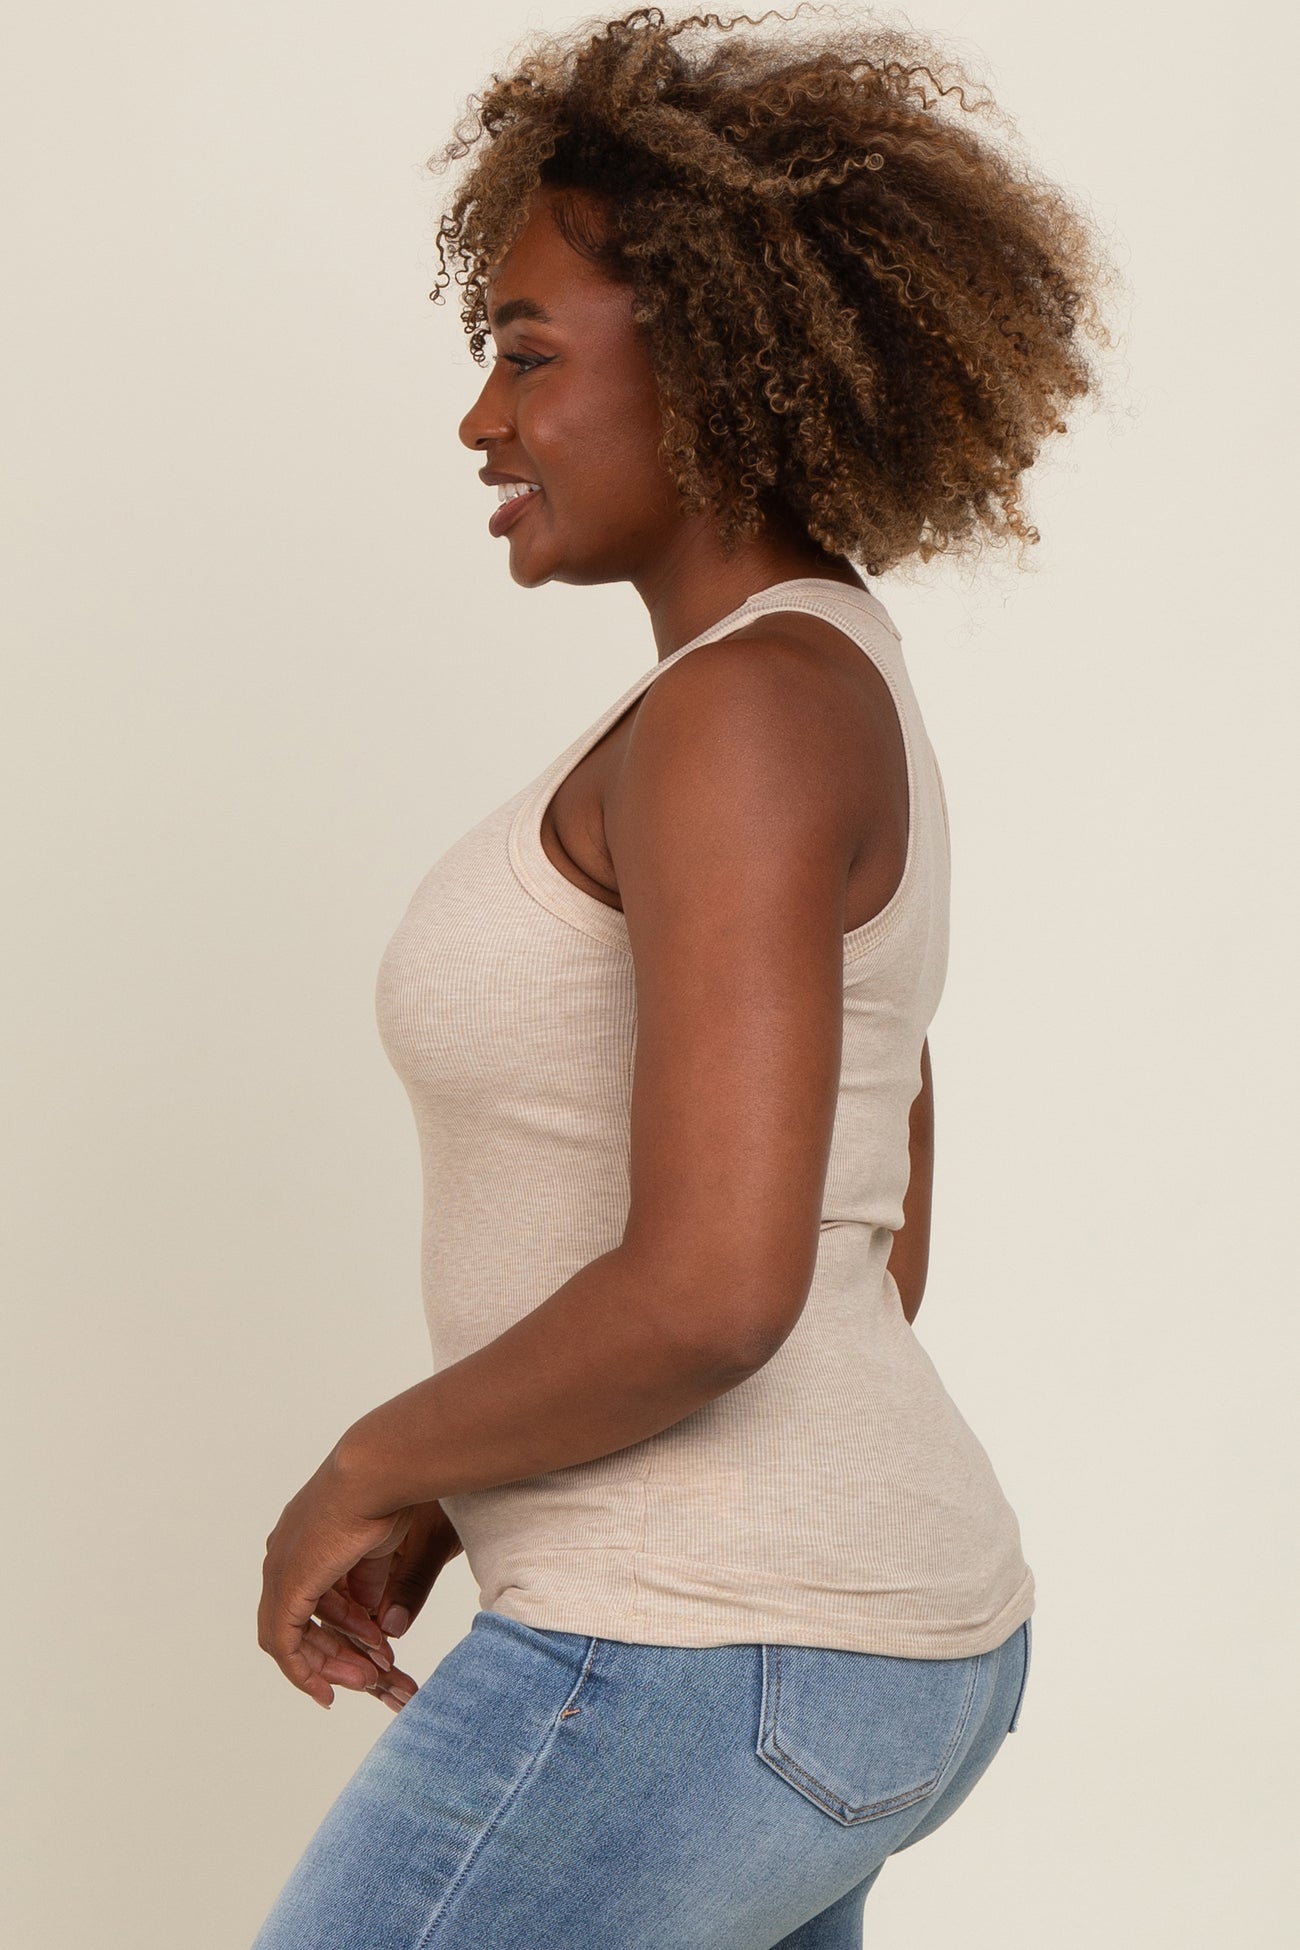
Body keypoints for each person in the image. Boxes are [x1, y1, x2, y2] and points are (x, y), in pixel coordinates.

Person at [252, 8, 1115, 1945]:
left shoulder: (741, 719)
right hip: (830, 1642)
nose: (480, 421)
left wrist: (372, 1458)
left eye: (525, 353)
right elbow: (866, 1224)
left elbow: (725, 1287)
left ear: (711, 362)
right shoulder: (815, 678)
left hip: (696, 1647)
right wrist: (479, 1483)